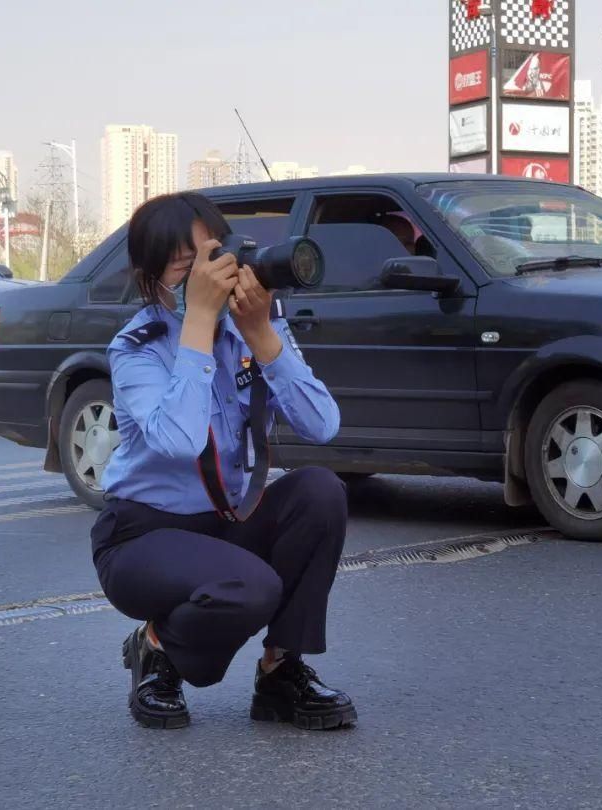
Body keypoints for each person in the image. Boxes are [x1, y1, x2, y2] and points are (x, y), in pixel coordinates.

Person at [90, 192, 356, 731]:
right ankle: (157, 648)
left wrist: (260, 334)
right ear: (151, 281)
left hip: (225, 524)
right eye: (186, 266)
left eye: (212, 255)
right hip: (142, 536)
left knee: (319, 492)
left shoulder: (254, 327)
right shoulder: (137, 348)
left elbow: (323, 426)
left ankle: (282, 673)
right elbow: (181, 441)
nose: (206, 275)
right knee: (250, 588)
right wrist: (198, 326)